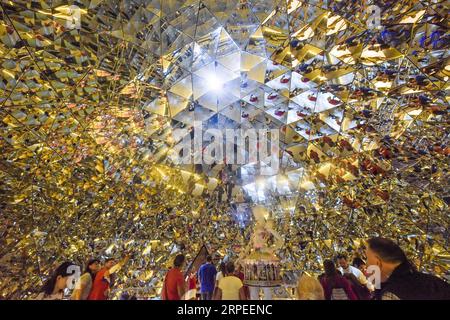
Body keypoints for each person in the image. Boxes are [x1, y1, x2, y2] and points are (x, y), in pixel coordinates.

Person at [366, 237, 450, 300]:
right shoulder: (433, 281)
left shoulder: (391, 295)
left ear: (377, 263)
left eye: (367, 259)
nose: (366, 265)